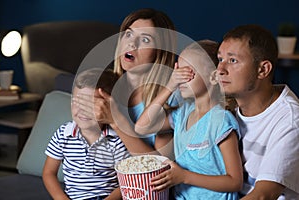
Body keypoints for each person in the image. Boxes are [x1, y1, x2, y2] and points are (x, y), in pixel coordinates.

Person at [135, 40, 243, 199]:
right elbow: (142, 127)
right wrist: (170, 86)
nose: (180, 78)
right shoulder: (182, 113)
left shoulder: (220, 121)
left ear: (213, 77)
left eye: (187, 72)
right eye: (178, 71)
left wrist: (184, 176)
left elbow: (235, 182)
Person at [72, 8, 180, 158]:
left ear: (160, 52)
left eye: (145, 39)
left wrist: (117, 122)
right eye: (128, 34)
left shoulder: (170, 98)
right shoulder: (104, 86)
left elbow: (161, 168)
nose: (132, 43)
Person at [217, 24, 299, 199]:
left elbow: (264, 195)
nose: (220, 70)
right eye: (220, 59)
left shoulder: (291, 120)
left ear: (263, 70)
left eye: (232, 61)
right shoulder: (225, 109)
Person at [43, 68, 130, 200]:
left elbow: (126, 181)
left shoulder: (116, 140)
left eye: (91, 104)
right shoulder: (63, 134)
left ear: (108, 107)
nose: (83, 110)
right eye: (78, 101)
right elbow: (49, 173)